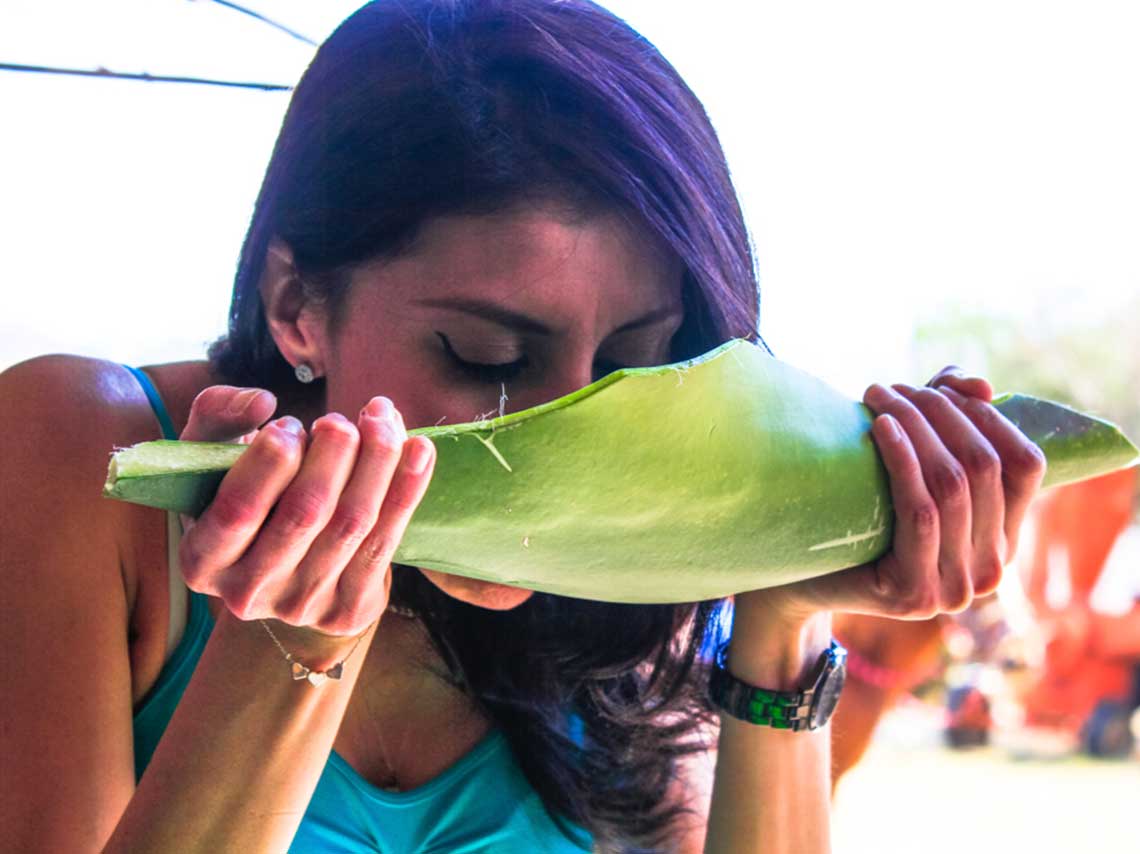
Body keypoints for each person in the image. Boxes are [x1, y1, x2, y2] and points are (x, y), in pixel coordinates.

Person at [0, 1, 1048, 852]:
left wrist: (782, 619)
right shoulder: (76, 448)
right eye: (489, 359)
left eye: (640, 363)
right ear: (297, 305)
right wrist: (292, 640)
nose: (571, 426)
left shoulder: (643, 567)